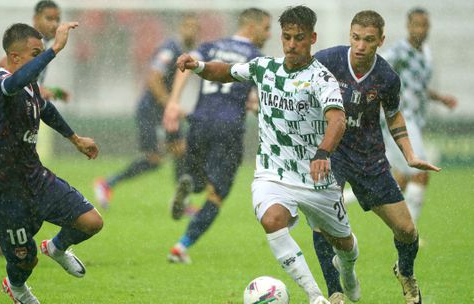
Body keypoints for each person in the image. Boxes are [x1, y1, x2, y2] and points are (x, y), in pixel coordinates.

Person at [167, 6, 362, 304]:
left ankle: (347, 273)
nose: (292, 44)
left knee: (344, 245)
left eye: (299, 38)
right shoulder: (264, 68)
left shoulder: (322, 79)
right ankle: (315, 297)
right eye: (287, 37)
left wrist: (323, 152)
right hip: (273, 173)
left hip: (315, 177)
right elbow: (227, 72)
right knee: (272, 220)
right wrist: (199, 67)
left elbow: (337, 119)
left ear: (312, 38)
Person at [311, 10, 440, 304]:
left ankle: (405, 273)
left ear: (380, 41)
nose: (360, 46)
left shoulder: (386, 77)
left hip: (370, 160)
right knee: (322, 221)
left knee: (407, 231)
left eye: (369, 40)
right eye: (356, 38)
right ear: (350, 36)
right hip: (333, 154)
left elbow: (394, 116)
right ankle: (335, 292)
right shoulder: (328, 60)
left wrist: (409, 155)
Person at [0, 22, 103, 303]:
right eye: (36, 53)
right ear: (15, 58)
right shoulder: (1, 85)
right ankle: (17, 287)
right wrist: (56, 49)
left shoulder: (30, 87)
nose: (42, 59)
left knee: (91, 222)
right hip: (5, 192)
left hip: (35, 178)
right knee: (25, 262)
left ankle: (57, 247)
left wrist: (75, 139)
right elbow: (13, 84)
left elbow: (46, 109)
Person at [162, 7, 271, 264]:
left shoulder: (210, 46)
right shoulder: (256, 56)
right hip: (229, 126)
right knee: (217, 194)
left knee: (198, 178)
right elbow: (260, 98)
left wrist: (174, 101)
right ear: (252, 27)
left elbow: (186, 65)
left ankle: (189, 185)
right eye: (266, 28)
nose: (268, 35)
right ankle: (181, 247)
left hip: (200, 120)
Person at [0, 0, 68, 255]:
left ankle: (0, 232)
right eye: (49, 18)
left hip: (19, 114)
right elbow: (7, 71)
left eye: (57, 19)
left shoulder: (39, 48)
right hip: (1, 114)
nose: (55, 24)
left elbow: (32, 87)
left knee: (14, 172)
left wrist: (52, 92)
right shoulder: (29, 44)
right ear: (36, 19)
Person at [93, 14, 200, 209]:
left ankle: (181, 203)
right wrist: (170, 104)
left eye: (195, 27)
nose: (191, 31)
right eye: (188, 26)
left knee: (180, 149)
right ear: (180, 28)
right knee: (154, 159)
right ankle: (107, 183)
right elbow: (153, 78)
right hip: (151, 110)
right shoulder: (170, 49)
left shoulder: (188, 52)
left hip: (165, 110)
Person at [380, 7, 458, 223]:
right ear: (408, 26)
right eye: (417, 25)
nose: (422, 29)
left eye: (425, 25)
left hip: (414, 118)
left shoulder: (425, 53)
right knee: (420, 171)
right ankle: (409, 231)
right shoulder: (400, 51)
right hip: (400, 118)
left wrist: (440, 98)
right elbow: (377, 67)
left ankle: (363, 199)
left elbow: (418, 86)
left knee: (402, 179)